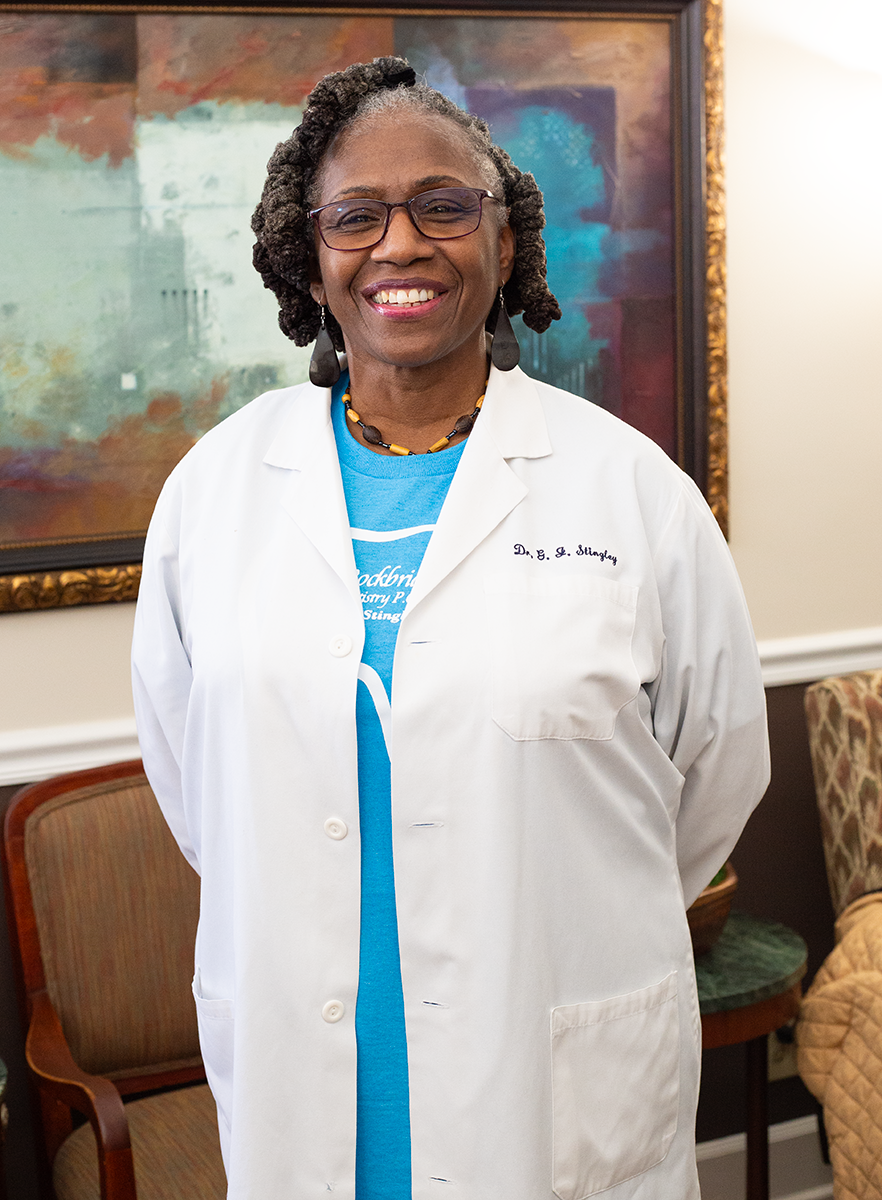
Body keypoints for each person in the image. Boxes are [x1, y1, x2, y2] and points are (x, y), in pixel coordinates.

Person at [132, 56, 770, 1200]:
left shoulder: (632, 490)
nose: (401, 245)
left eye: (443, 206)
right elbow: (196, 783)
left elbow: (714, 774)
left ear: (505, 242)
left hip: (551, 1099)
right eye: (355, 217)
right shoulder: (216, 490)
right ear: (308, 258)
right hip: (302, 1090)